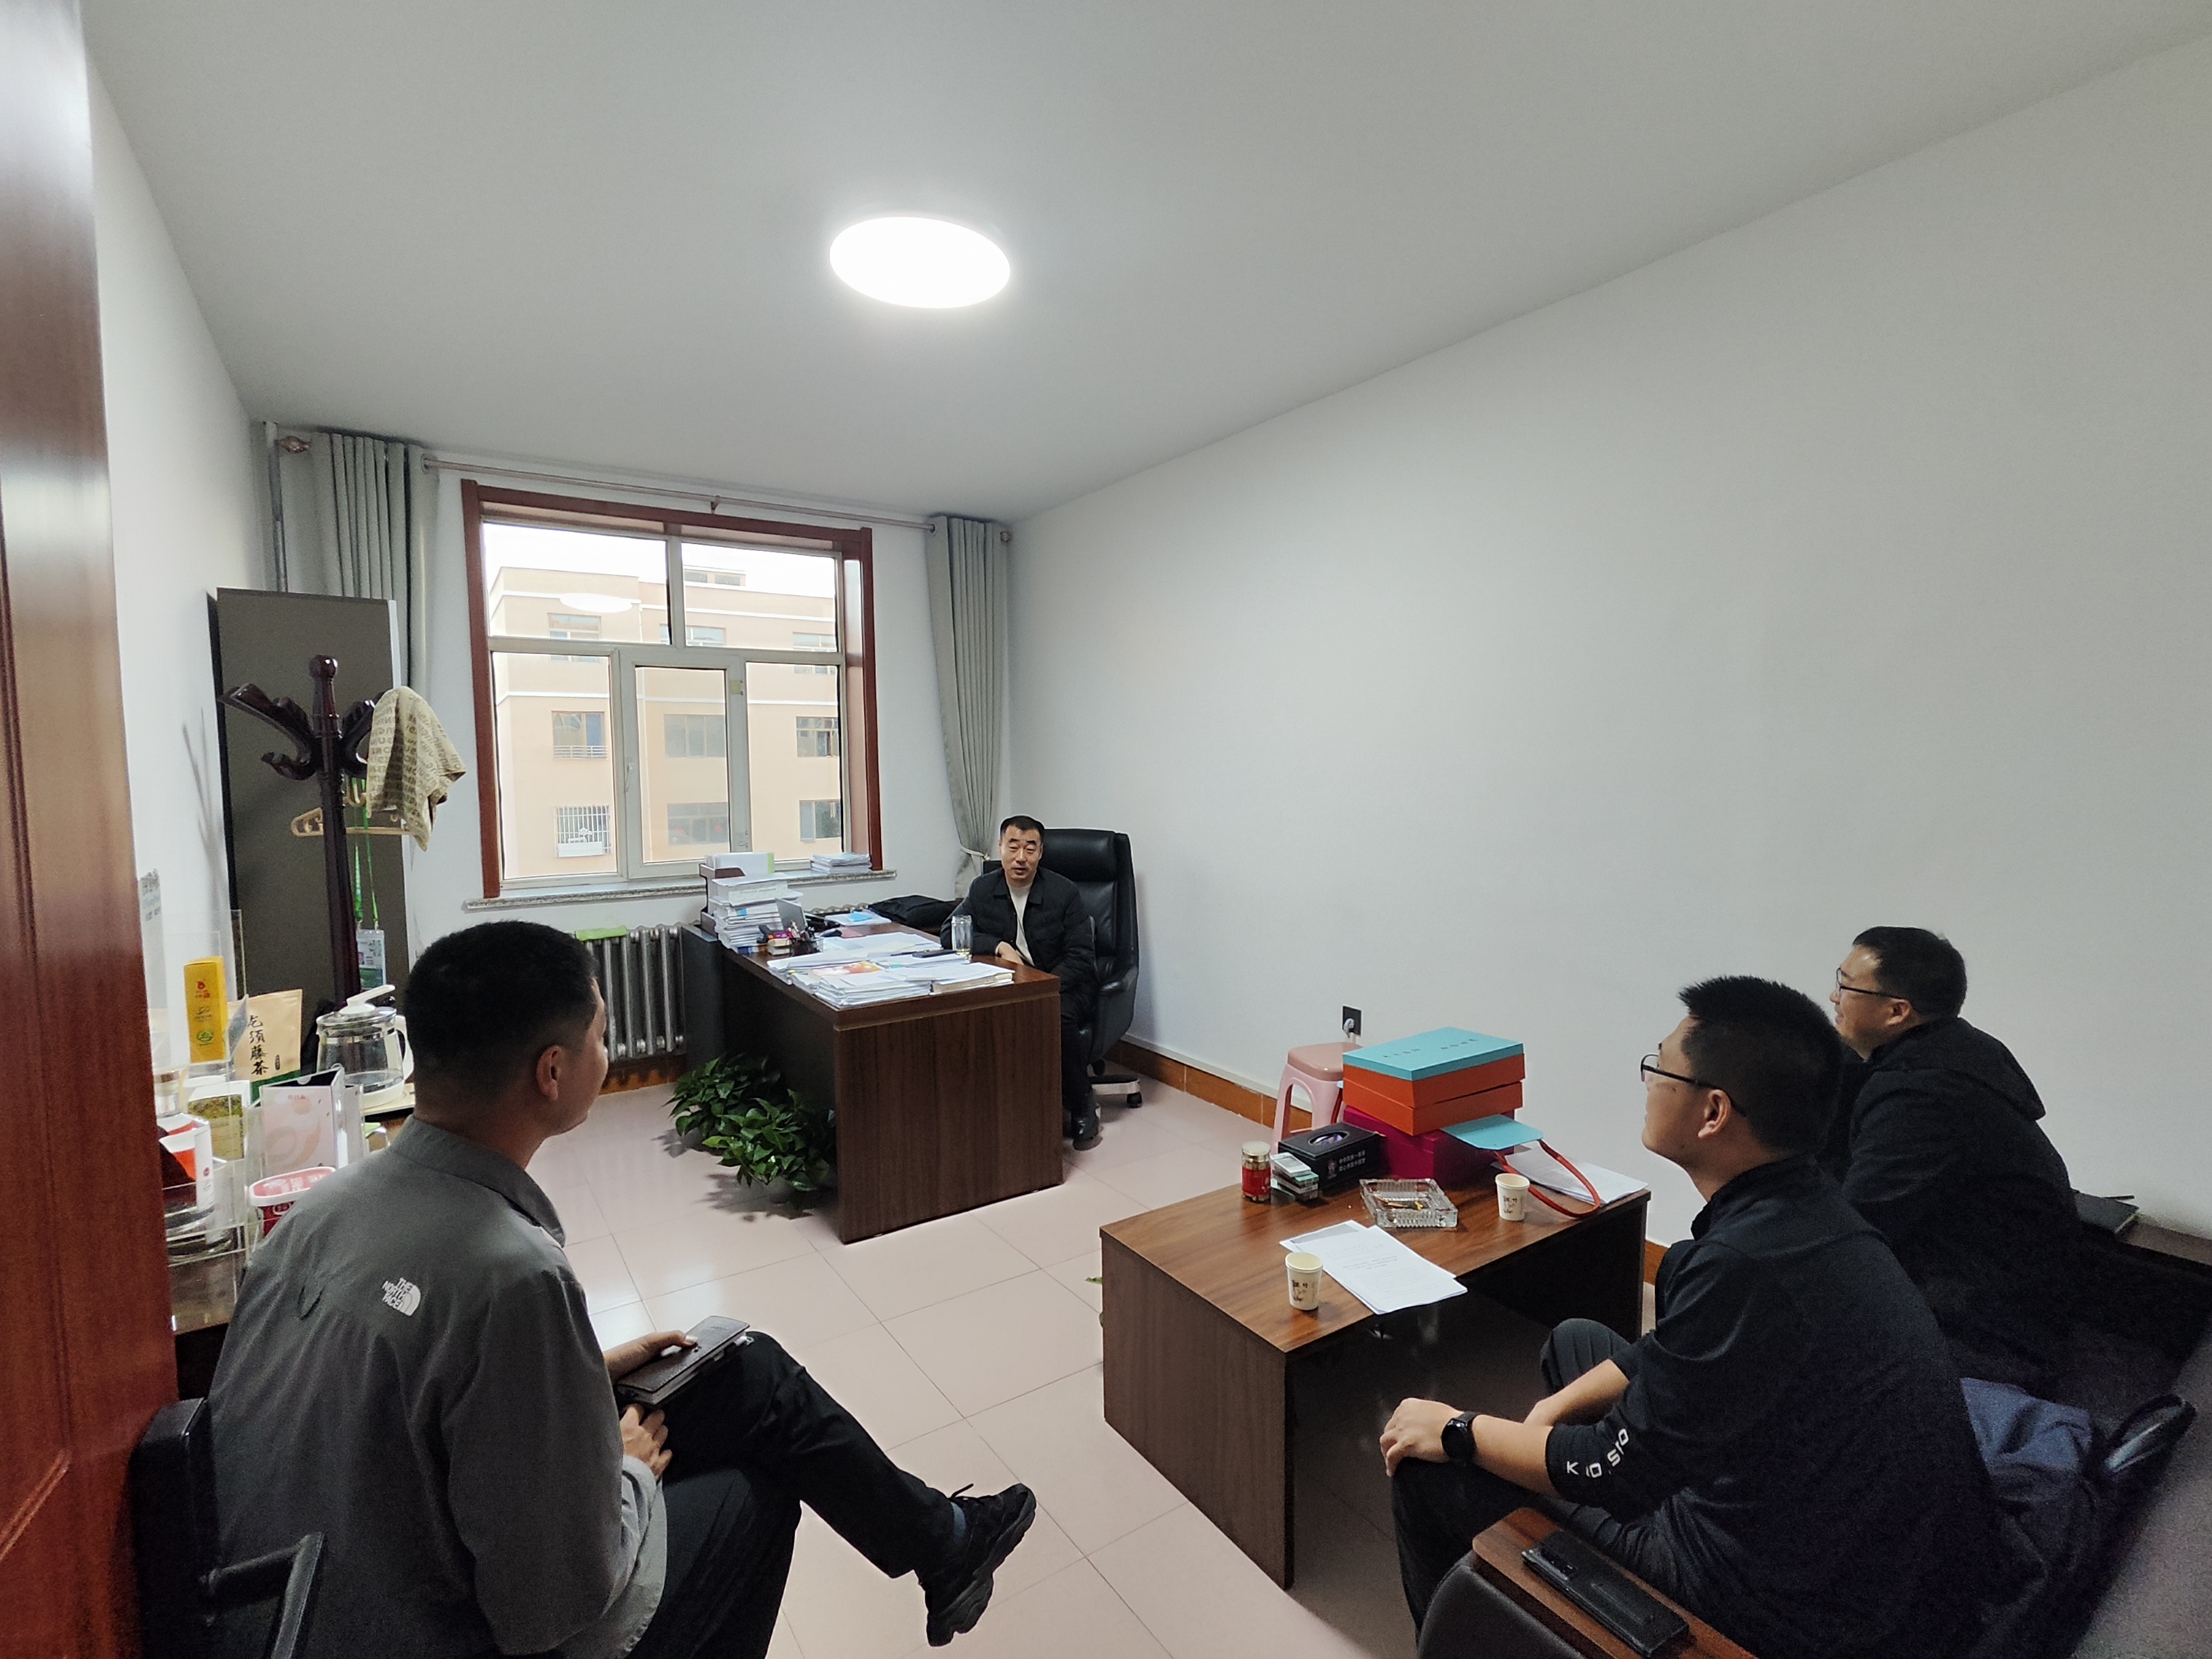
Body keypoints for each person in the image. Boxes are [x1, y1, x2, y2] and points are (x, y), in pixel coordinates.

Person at [207, 920, 1033, 1659]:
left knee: (745, 1373)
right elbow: (553, 1611)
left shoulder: (315, 1213)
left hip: (318, 1588)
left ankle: (946, 1542)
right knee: (753, 1492)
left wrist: (579, 1375)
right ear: (553, 1071)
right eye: (601, 1036)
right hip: (446, 1624)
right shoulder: (512, 1273)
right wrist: (629, 1475)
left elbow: (413, 1398)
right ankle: (942, 1541)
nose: (607, 1053)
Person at [1383, 977, 2001, 1659]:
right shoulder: (1805, 1210)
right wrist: (1551, 1412)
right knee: (1576, 1343)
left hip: (1773, 1597)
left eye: (1661, 1068)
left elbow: (1609, 1471)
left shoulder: (1743, 1267)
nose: (1649, 1082)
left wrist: (1460, 1430)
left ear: (1713, 1112)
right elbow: (1680, 1351)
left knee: (1427, 1468)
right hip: (1827, 1528)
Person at [1822, 926, 2076, 1393]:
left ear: (1897, 1011)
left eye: (1846, 986)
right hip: (1980, 1292)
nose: (1833, 997)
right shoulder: (1952, 1049)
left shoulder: (1925, 1097)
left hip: (1982, 1330)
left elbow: (1857, 1226)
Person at [941, 815, 1102, 1148]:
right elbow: (950, 933)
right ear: (1000, 848)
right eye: (1013, 847)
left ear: (1041, 853)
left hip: (1066, 984)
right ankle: (1001, 1107)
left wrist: (1042, 987)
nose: (1021, 857)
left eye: (1030, 848)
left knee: (1056, 1017)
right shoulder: (983, 889)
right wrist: (998, 946)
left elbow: (1081, 957)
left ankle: (1082, 1102)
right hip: (1013, 984)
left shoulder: (1063, 892)